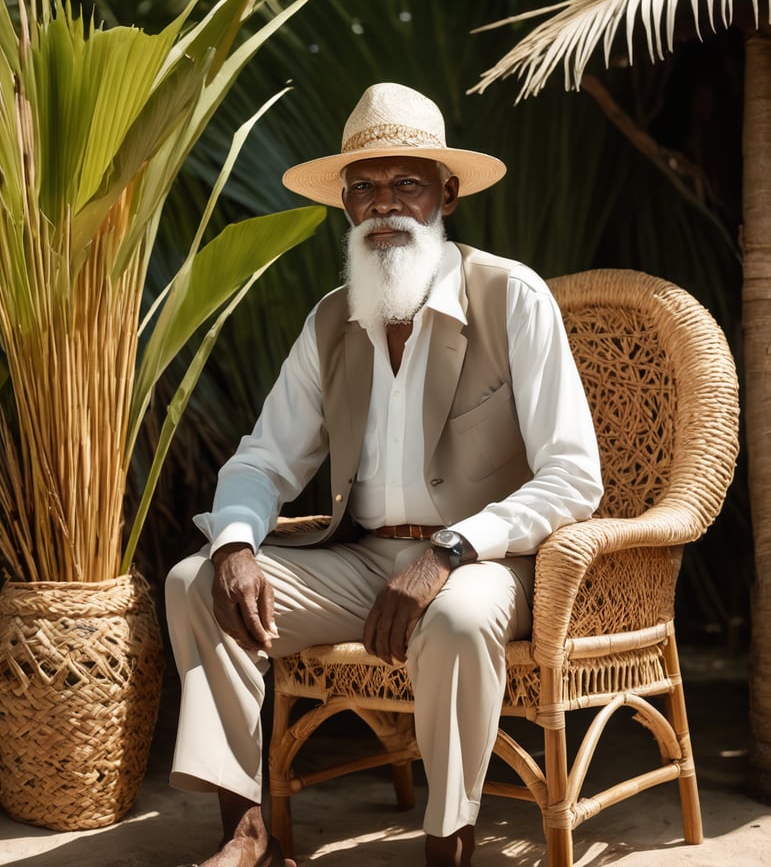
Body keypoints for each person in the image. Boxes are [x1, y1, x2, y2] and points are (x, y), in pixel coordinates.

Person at [165, 82, 603, 867]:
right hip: (359, 560)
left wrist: (450, 551)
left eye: (407, 184)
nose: (384, 206)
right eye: (363, 188)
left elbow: (572, 474)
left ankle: (448, 843)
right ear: (343, 204)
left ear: (448, 194)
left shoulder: (510, 296)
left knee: (459, 619)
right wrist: (234, 542)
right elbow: (265, 456)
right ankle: (246, 833)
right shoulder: (333, 319)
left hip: (487, 564)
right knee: (194, 580)